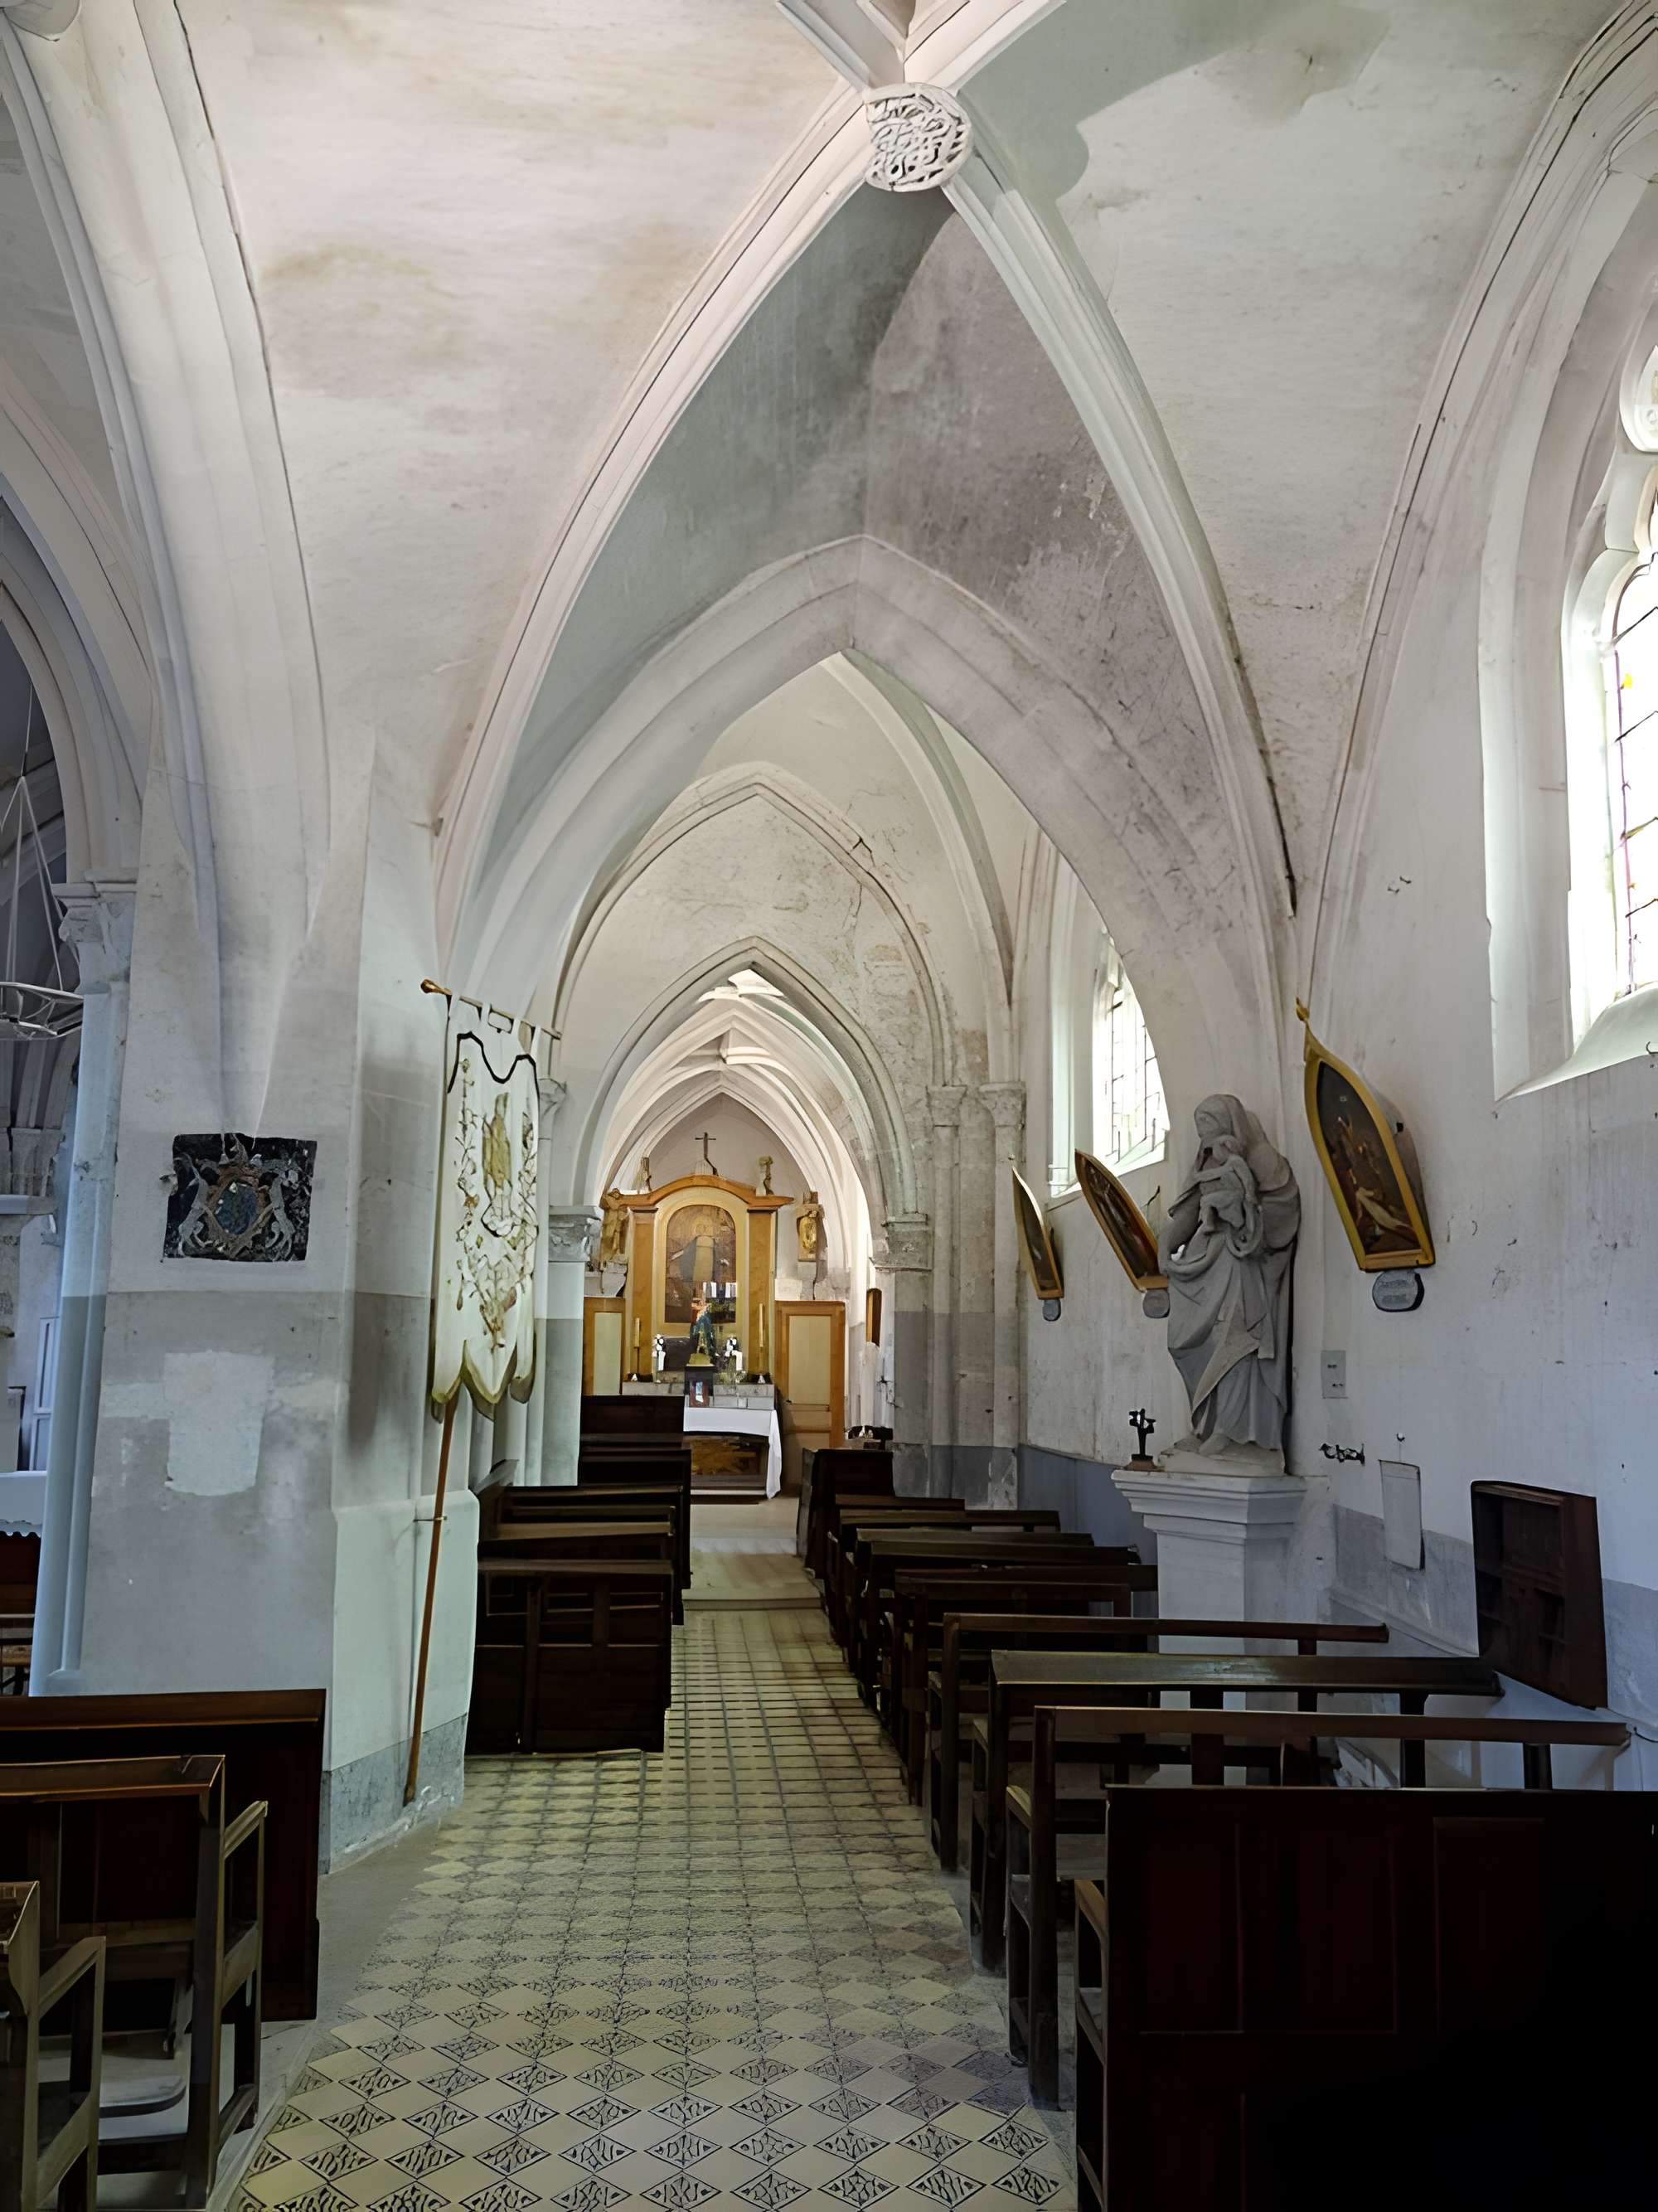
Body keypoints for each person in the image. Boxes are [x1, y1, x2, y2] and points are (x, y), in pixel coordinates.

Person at [1157, 1094, 1299, 1457]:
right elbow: (1187, 1213)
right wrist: (1164, 1247)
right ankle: (1204, 1424)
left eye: (1210, 1125)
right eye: (1200, 1127)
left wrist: (1240, 1216)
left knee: (1235, 1341)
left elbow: (1282, 1212)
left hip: (1242, 1263)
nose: (1204, 1134)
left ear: (1231, 1122)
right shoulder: (1206, 1160)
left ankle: (1235, 1432)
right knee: (1186, 1341)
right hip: (1207, 1263)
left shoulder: (1262, 1159)